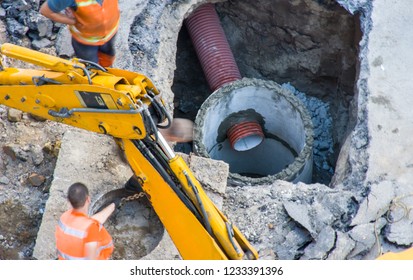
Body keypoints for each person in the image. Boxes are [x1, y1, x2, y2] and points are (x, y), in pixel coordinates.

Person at [39, 0, 120, 67]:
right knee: (92, 66)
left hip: (110, 34)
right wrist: (73, 21)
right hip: (86, 42)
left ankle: (107, 70)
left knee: (108, 56)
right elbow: (46, 11)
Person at [55, 182, 115, 260]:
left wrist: (112, 207)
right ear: (88, 199)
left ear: (69, 201)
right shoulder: (91, 229)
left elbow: (88, 223)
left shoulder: (64, 217)